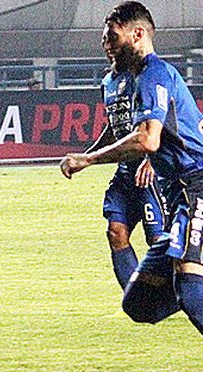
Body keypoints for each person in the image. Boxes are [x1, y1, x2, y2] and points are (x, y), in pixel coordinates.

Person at [60, 1, 203, 331]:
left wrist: (90, 159)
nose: (106, 44)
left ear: (137, 34)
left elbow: (147, 140)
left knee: (191, 291)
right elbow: (127, 130)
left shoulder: (154, 73)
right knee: (140, 304)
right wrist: (87, 158)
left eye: (112, 36)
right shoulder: (128, 80)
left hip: (196, 185)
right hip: (180, 192)